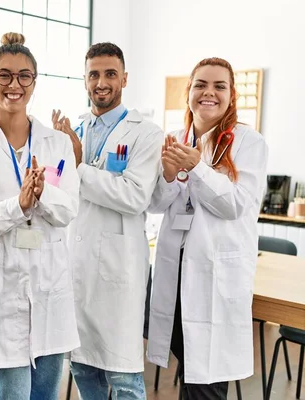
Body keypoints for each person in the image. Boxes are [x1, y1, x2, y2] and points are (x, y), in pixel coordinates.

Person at [0, 32, 80, 400]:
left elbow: (69, 208)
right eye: (4, 75)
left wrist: (43, 194)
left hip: (49, 290)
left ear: (34, 84)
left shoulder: (57, 144)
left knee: (45, 396)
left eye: (24, 76)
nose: (14, 84)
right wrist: (17, 206)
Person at [147, 57, 268, 399]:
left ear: (231, 95)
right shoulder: (173, 138)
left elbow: (235, 204)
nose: (208, 93)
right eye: (200, 84)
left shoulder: (249, 143)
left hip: (216, 278)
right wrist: (169, 176)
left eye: (219, 86)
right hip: (176, 272)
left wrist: (196, 166)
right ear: (189, 91)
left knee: (206, 380)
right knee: (190, 366)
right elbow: (156, 203)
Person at [52, 42, 163, 399]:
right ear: (84, 80)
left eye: (110, 74)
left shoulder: (145, 133)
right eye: (94, 74)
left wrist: (79, 165)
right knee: (82, 367)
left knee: (125, 378)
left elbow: (134, 196)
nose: (102, 82)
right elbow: (58, 186)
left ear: (124, 79)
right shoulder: (75, 130)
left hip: (119, 272)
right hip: (77, 267)